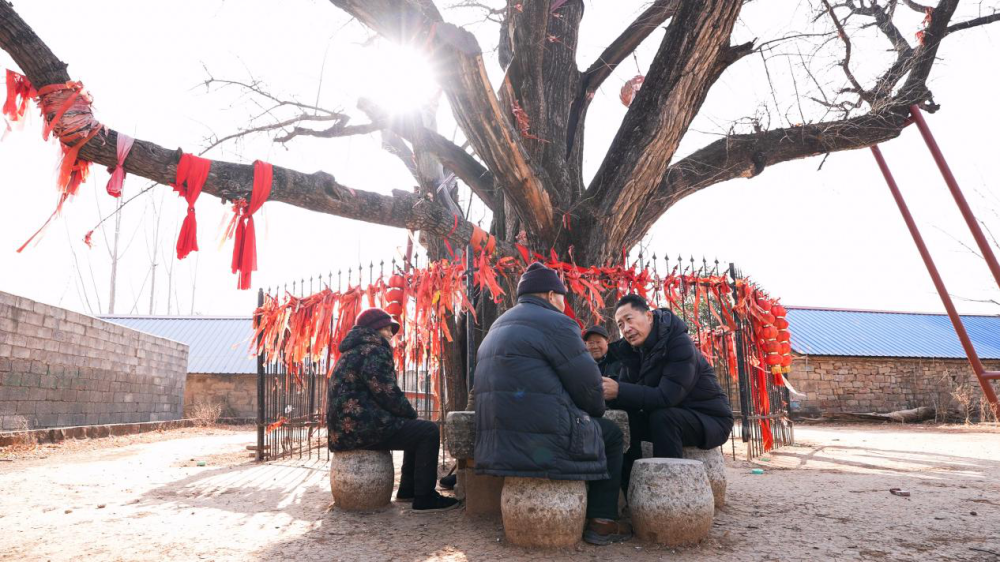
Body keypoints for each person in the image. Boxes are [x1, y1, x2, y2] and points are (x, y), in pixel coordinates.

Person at [474, 262, 632, 546]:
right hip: (544, 440)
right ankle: (603, 521)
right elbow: (589, 387)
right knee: (610, 434)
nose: (564, 303)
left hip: (497, 443)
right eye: (562, 297)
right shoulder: (558, 323)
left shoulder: (498, 325)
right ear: (550, 295)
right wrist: (596, 411)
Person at [326, 307, 460, 513]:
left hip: (343, 431)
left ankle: (408, 490)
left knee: (415, 429)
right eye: (387, 329)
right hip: (362, 429)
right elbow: (387, 392)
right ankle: (424, 497)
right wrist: (411, 414)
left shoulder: (350, 352)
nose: (391, 334)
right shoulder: (373, 350)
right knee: (428, 431)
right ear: (373, 329)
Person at [604, 294, 734, 494]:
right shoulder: (631, 351)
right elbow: (628, 396)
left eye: (629, 319)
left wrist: (619, 390)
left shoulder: (679, 344)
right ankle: (629, 491)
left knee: (664, 417)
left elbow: (667, 397)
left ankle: (668, 492)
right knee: (624, 420)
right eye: (620, 325)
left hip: (709, 419)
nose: (626, 329)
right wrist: (605, 393)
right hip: (668, 413)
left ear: (648, 316)